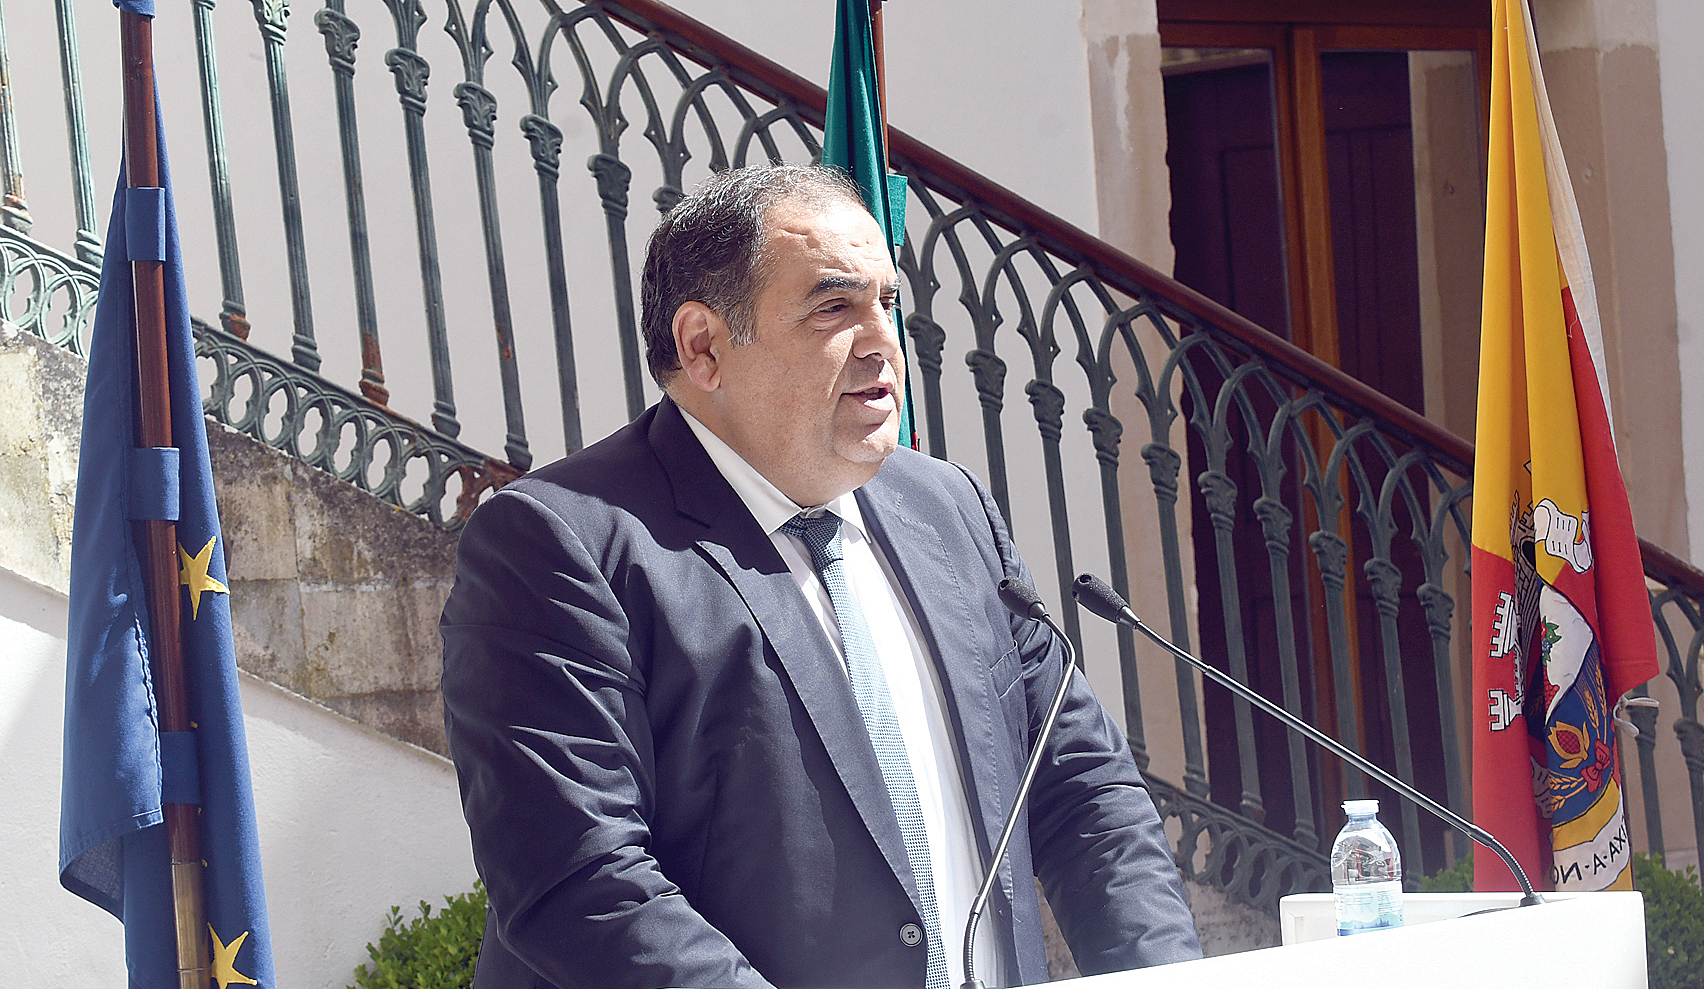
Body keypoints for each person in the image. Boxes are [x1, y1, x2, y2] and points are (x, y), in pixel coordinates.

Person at [441, 164, 1201, 989]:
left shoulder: (949, 507)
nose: (883, 340)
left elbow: (1084, 791)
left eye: (888, 302)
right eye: (835, 308)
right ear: (703, 347)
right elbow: (582, 879)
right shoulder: (559, 544)